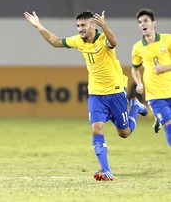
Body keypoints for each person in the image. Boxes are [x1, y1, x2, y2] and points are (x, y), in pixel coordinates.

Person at [24, 10, 148, 181]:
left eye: (83, 25)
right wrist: (38, 26)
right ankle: (106, 170)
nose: (80, 29)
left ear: (92, 25)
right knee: (96, 128)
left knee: (124, 133)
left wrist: (105, 25)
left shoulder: (103, 39)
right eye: (78, 26)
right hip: (96, 94)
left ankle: (135, 106)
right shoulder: (78, 41)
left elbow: (114, 42)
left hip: (115, 91)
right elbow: (55, 42)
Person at [132, 8, 171, 146]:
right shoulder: (137, 47)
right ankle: (160, 118)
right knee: (170, 127)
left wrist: (164, 68)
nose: (143, 24)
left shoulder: (167, 39)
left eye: (146, 21)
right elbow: (135, 69)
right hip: (155, 94)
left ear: (153, 23)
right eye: (140, 22)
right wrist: (139, 83)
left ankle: (157, 119)